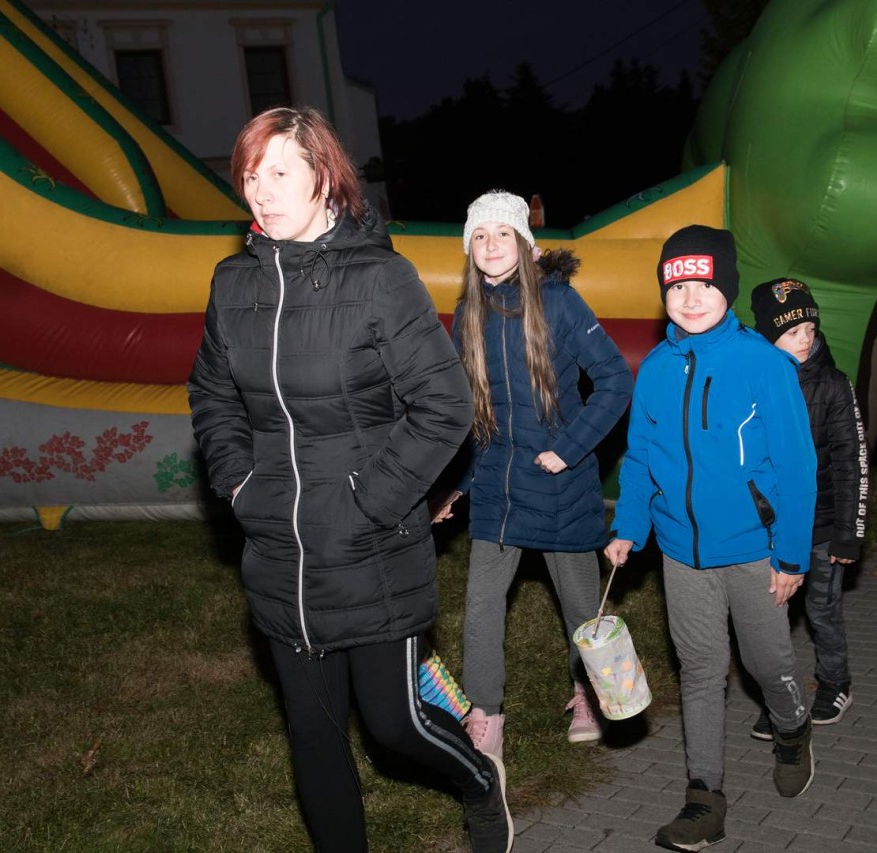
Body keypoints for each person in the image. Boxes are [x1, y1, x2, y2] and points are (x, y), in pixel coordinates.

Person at [188, 107, 512, 853]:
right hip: (278, 547)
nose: (261, 191)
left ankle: (478, 780)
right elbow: (211, 391)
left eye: (280, 172)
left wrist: (371, 501)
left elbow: (446, 404)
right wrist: (238, 483)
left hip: (369, 546)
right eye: (250, 175)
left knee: (395, 726)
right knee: (314, 731)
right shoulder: (233, 283)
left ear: (324, 176)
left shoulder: (379, 279)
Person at [604, 225, 818, 851]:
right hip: (681, 553)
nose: (691, 299)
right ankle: (704, 798)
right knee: (700, 671)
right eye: (678, 288)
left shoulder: (764, 364)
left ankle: (792, 728)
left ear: (727, 288)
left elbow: (797, 467)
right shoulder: (656, 369)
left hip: (755, 550)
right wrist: (629, 526)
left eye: (704, 285)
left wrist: (792, 556)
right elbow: (640, 458)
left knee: (767, 663)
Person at [433, 190, 633, 757]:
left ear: (525, 244)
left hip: (558, 484)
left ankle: (589, 692)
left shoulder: (559, 302)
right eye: (479, 236)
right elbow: (473, 412)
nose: (491, 244)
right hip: (497, 485)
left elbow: (615, 380)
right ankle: (486, 715)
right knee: (481, 605)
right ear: (469, 248)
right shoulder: (467, 314)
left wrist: (568, 450)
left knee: (580, 608)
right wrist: (457, 486)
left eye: (503, 234)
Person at [750, 278, 869, 739]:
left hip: (821, 528)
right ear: (767, 336)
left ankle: (836, 682)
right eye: (791, 331)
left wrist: (849, 533)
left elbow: (852, 462)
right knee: (769, 618)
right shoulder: (753, 383)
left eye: (809, 329)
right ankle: (781, 697)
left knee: (822, 610)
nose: (804, 339)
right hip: (766, 529)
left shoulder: (834, 386)